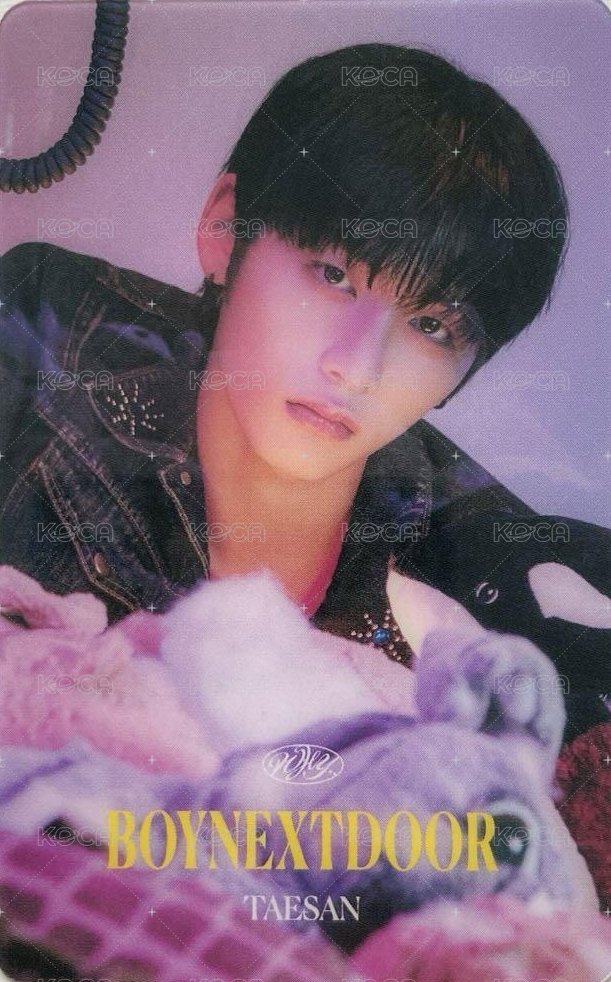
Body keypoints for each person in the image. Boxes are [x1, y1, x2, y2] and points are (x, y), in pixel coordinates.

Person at [0, 44, 606, 718]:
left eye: (430, 326)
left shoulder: (498, 579)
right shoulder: (39, 331)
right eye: (333, 275)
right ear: (226, 229)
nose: (357, 368)